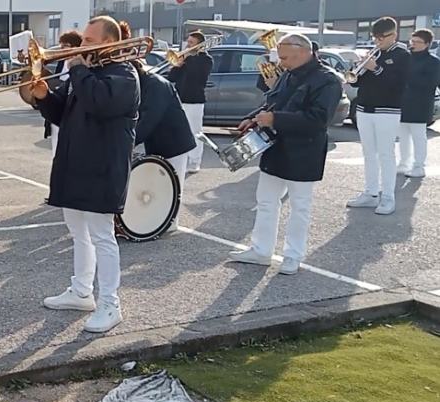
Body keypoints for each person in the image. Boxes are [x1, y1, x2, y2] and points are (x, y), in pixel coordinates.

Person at [28, 16, 140, 333]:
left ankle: (110, 304)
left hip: (101, 169)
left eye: (89, 41)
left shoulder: (124, 75)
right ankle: (81, 292)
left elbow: (99, 103)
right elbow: (61, 113)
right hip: (75, 164)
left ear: (108, 42)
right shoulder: (87, 74)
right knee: (77, 231)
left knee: (103, 237)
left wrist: (76, 69)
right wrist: (44, 97)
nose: (81, 47)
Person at [228, 34, 342, 275]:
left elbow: (319, 120)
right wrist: (253, 117)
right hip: (276, 146)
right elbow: (273, 102)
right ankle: (261, 250)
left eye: (285, 57)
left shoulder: (328, 80)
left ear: (303, 51)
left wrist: (275, 119)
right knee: (266, 201)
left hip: (304, 150)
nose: (281, 62)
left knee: (300, 206)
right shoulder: (288, 73)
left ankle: (293, 255)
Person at [123, 22, 194, 232]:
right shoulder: (144, 84)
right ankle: (157, 220)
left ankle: (171, 222)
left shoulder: (157, 85)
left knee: (173, 185)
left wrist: (127, 143)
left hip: (175, 142)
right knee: (157, 185)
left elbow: (149, 119)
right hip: (158, 140)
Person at [346, 16, 411, 215]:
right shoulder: (373, 54)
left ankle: (388, 197)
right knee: (368, 153)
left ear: (394, 34)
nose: (378, 41)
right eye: (375, 37)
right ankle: (370, 193)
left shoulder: (402, 55)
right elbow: (356, 82)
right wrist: (358, 69)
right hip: (364, 109)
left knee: (386, 154)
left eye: (382, 37)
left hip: (387, 110)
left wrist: (376, 68)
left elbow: (398, 84)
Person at [167, 31, 213, 173]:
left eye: (191, 43)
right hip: (180, 99)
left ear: (199, 45)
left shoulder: (206, 59)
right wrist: (177, 65)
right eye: (188, 42)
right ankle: (182, 159)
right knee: (180, 130)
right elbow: (172, 78)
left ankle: (195, 161)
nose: (188, 45)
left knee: (195, 132)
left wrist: (187, 57)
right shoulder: (186, 60)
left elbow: (198, 75)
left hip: (195, 101)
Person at [397, 29, 440, 178]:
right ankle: (403, 163)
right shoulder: (405, 58)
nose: (412, 44)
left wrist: (408, 78)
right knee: (402, 136)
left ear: (427, 44)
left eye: (417, 42)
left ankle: (419, 166)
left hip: (420, 105)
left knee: (418, 137)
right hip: (402, 104)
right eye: (411, 41)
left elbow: (431, 82)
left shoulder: (433, 62)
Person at [44, 30, 82, 157]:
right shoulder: (62, 62)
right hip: (60, 109)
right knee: (56, 148)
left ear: (74, 46)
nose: (61, 49)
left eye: (64, 46)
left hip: (71, 112)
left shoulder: (80, 64)